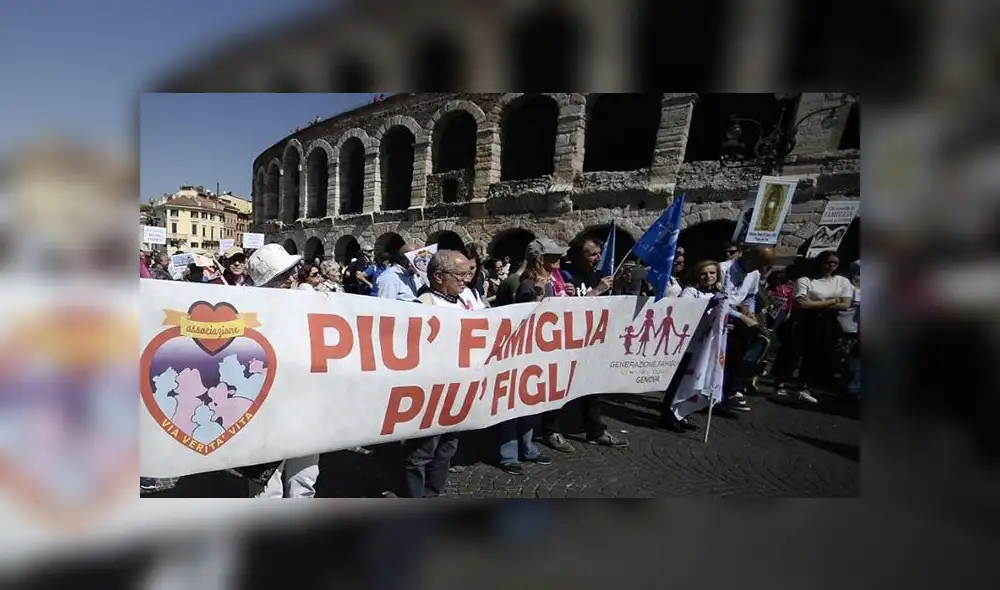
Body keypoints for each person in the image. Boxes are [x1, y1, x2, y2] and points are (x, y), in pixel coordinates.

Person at [233, 244, 321, 498]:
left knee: (304, 474)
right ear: (265, 282)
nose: (292, 277)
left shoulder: (308, 301)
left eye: (293, 270)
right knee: (266, 480)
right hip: (266, 407)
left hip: (306, 403)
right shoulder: (245, 312)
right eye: (283, 275)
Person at [522, 238, 626, 450]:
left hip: (583, 341)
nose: (560, 257)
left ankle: (595, 430)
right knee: (557, 389)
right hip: (555, 345)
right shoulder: (535, 281)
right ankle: (551, 430)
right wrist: (595, 291)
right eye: (592, 254)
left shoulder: (562, 277)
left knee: (592, 388)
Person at [399, 250, 470, 497]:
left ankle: (432, 494)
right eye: (460, 274)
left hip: (458, 389)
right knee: (421, 453)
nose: (466, 279)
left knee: (447, 448)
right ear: (439, 276)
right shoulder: (422, 306)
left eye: (467, 273)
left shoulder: (464, 300)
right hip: (431, 392)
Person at [771, 250, 854, 404]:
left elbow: (845, 304)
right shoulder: (805, 280)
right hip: (803, 320)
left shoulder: (842, 282)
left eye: (834, 263)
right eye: (827, 262)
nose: (830, 266)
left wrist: (816, 304)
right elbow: (802, 303)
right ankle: (780, 385)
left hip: (826, 321)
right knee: (794, 352)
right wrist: (832, 301)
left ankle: (803, 387)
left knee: (815, 355)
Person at [662, 260, 723, 432]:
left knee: (693, 381)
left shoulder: (720, 295)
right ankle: (668, 415)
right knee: (678, 381)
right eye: (704, 273)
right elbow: (685, 312)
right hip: (685, 345)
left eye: (712, 273)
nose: (708, 277)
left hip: (704, 348)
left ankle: (683, 414)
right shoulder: (690, 291)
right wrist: (711, 304)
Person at [717, 245, 776, 413]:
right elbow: (718, 299)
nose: (761, 268)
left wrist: (750, 312)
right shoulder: (723, 269)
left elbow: (750, 295)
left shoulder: (754, 274)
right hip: (722, 314)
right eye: (760, 262)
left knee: (737, 356)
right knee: (720, 357)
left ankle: (728, 394)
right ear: (749, 255)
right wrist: (741, 315)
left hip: (739, 317)